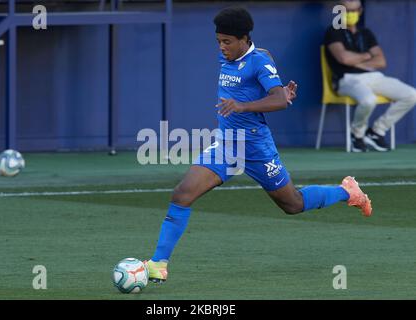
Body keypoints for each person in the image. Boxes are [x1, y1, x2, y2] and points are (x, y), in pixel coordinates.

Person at [144, 6, 372, 283]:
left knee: (292, 204)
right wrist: (272, 94)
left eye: (227, 42)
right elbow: (272, 87)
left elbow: (277, 100)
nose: (221, 47)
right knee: (182, 194)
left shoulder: (258, 61)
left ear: (244, 38)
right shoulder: (235, 56)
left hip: (255, 147)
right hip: (227, 145)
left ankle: (347, 192)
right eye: (218, 41)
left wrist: (246, 104)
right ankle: (158, 263)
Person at [324, 0, 416, 152]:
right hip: (347, 80)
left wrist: (357, 60)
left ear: (360, 11)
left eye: (353, 10)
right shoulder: (333, 31)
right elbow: (344, 59)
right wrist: (368, 56)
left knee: (411, 95)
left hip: (373, 76)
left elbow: (381, 61)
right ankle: (357, 135)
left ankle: (376, 131)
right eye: (346, 10)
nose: (350, 14)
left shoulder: (365, 33)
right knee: (368, 100)